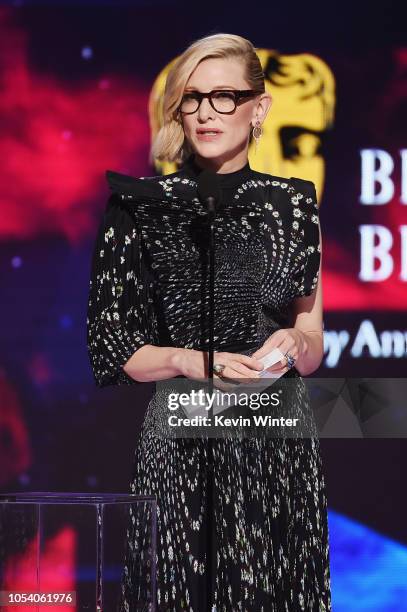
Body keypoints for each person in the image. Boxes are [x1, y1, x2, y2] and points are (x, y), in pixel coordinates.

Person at [87, 33, 331, 612]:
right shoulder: (139, 205)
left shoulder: (295, 205)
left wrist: (295, 340)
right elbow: (112, 344)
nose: (205, 113)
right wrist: (189, 361)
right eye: (192, 99)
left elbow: (314, 344)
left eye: (224, 96)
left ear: (259, 107)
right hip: (180, 445)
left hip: (276, 447)